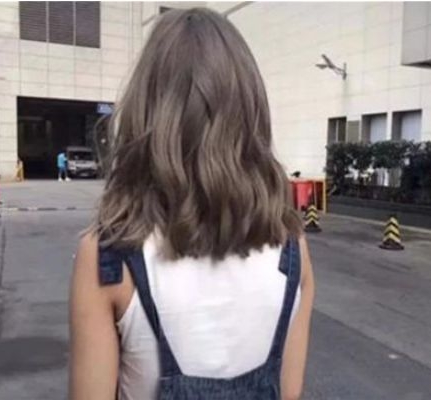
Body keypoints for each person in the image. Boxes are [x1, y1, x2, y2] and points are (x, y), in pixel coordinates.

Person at [69, 8, 314, 400]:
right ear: (251, 115)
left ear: (146, 113)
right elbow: (289, 393)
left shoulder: (109, 257)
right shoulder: (292, 248)